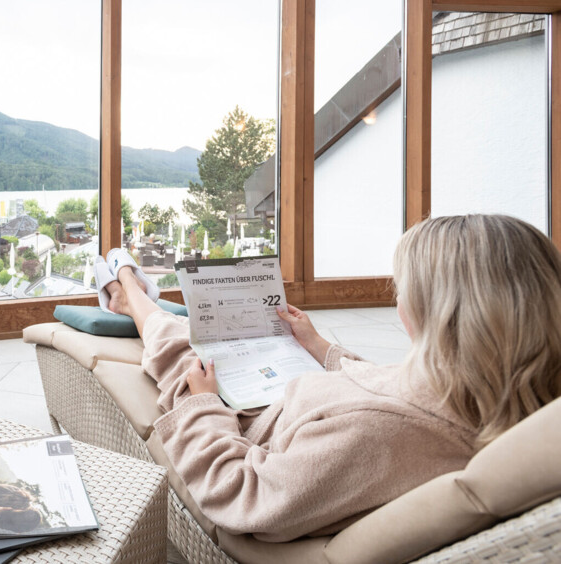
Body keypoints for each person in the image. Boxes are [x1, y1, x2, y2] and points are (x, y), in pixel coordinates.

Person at [95, 215, 561, 542]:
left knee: (179, 345)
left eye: (403, 290)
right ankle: (147, 300)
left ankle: (127, 291)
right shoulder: (504, 392)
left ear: (428, 313)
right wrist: (319, 347)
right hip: (299, 394)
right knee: (223, 329)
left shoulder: (372, 430)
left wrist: (202, 405)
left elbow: (241, 492)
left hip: (246, 418)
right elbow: (395, 389)